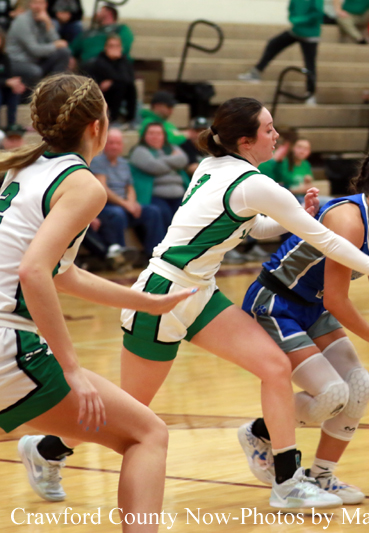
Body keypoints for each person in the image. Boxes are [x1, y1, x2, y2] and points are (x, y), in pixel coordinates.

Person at [29, 96, 369, 509]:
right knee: (130, 409)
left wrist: (294, 214)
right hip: (160, 295)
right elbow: (326, 241)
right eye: (269, 129)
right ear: (245, 141)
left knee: (274, 367)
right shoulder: (253, 182)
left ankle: (287, 482)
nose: (276, 135)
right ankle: (46, 449)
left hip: (200, 293)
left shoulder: (216, 166)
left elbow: (251, 226)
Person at [3, 73, 194, 529]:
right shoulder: (83, 184)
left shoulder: (24, 168)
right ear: (97, 126)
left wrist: (142, 301)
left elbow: (61, 271)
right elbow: (33, 272)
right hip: (10, 345)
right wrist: (71, 368)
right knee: (147, 434)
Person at [237, 147, 369, 503]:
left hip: (312, 308)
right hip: (276, 303)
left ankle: (322, 475)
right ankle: (259, 432)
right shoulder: (347, 220)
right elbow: (336, 300)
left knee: (359, 387)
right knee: (331, 395)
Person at [91, 128, 165, 263]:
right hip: (105, 206)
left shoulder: (124, 163)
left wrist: (132, 203)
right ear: (104, 144)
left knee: (152, 211)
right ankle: (121, 256)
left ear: (122, 146)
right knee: (117, 213)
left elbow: (129, 187)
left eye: (117, 143)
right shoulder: (97, 162)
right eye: (111, 143)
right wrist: (126, 204)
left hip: (123, 205)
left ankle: (154, 254)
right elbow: (103, 188)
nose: (114, 146)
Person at [238, 0, 321, 106]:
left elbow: (317, 13)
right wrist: (293, 19)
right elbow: (291, 8)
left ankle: (310, 95)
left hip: (310, 33)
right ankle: (256, 72)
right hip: (296, 30)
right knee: (273, 44)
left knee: (310, 65)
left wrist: (298, 20)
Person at [129, 122, 189, 230]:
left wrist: (161, 161)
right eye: (151, 133)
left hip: (179, 194)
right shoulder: (139, 151)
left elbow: (183, 160)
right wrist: (173, 162)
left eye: (158, 134)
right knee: (164, 213)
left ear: (164, 136)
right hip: (154, 196)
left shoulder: (171, 147)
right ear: (144, 136)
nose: (155, 137)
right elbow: (154, 167)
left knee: (188, 213)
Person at [7, 0, 71, 87]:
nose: (38, 6)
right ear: (30, 4)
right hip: (19, 61)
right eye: (35, 3)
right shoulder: (22, 21)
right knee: (35, 71)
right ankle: (37, 94)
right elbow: (35, 50)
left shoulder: (44, 19)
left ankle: (57, 87)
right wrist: (55, 45)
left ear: (46, 5)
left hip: (36, 59)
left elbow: (57, 41)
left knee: (63, 52)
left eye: (41, 3)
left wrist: (48, 23)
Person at [82, 33, 137, 127]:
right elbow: (110, 73)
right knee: (119, 85)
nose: (114, 49)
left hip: (120, 91)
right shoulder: (99, 61)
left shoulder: (124, 61)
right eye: (111, 46)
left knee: (130, 86)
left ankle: (131, 119)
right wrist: (115, 79)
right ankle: (113, 119)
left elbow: (129, 79)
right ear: (105, 47)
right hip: (101, 93)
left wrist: (113, 78)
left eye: (117, 46)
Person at [0, 27, 23, 126]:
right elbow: (6, 80)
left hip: (4, 87)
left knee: (14, 91)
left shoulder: (4, 57)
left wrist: (15, 83)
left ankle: (11, 124)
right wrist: (6, 82)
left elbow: (9, 75)